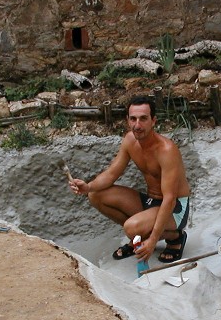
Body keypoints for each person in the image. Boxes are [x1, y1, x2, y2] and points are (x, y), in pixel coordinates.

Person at [68, 95, 191, 265]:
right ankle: (137, 238)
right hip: (150, 202)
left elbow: (169, 199)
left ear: (153, 121)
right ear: (127, 120)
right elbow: (111, 174)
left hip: (175, 207)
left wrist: (153, 240)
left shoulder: (167, 150)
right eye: (133, 119)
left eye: (143, 119)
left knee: (131, 227)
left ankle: (175, 238)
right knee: (95, 195)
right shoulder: (129, 140)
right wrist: (87, 187)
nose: (137, 125)